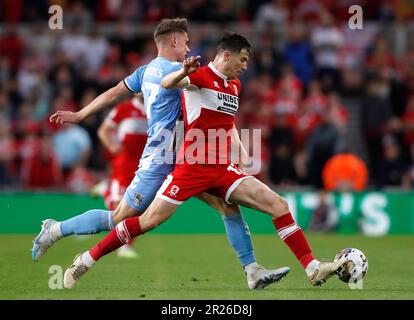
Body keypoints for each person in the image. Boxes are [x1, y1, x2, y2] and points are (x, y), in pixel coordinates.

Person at [62, 32, 346, 289]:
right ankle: (87, 258)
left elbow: (228, 123)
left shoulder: (234, 86)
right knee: (147, 221)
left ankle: (311, 268)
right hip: (191, 167)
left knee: (278, 205)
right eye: (243, 59)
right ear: (225, 55)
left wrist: (241, 151)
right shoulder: (199, 76)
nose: (245, 66)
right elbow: (166, 82)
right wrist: (182, 72)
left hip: (223, 168)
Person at [32, 18, 289, 290]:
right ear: (174, 41)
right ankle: (56, 230)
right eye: (186, 43)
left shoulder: (144, 72)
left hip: (188, 158)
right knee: (120, 217)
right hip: (161, 157)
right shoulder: (182, 72)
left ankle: (252, 270)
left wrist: (81, 114)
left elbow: (114, 94)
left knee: (227, 205)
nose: (189, 48)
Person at [98, 96, 148, 258]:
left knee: (138, 207)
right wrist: (112, 146)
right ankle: (107, 190)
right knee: (118, 206)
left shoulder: (157, 106)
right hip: (124, 164)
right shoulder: (123, 109)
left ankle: (126, 246)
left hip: (145, 165)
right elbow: (103, 130)